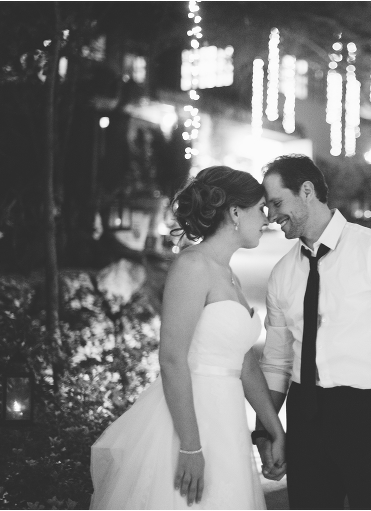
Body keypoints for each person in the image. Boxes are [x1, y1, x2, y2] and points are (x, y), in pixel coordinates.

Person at [90, 166, 285, 509]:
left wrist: (275, 429)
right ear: (235, 212)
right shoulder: (192, 266)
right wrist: (191, 447)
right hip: (191, 419)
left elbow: (244, 363)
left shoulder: (230, 275)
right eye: (260, 209)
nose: (267, 219)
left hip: (227, 421)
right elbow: (171, 359)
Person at [253, 155, 371, 509]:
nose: (272, 215)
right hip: (304, 414)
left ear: (307, 191)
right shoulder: (281, 273)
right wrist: (266, 430)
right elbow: (276, 361)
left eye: (276, 203)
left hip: (367, 413)